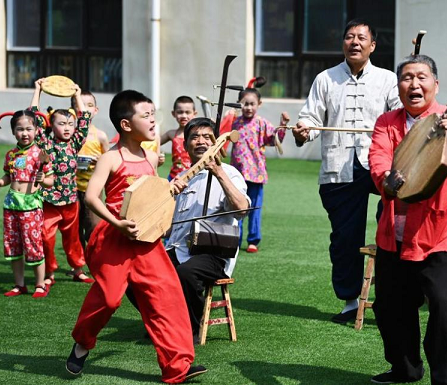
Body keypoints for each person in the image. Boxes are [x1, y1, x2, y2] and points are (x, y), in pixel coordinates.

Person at [66, 90, 206, 382]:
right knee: (109, 298)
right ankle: (82, 342)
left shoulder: (152, 157)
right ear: (126, 125)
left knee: (167, 297)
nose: (154, 120)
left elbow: (152, 198)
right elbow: (92, 198)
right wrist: (116, 223)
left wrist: (167, 203)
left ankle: (177, 367)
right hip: (113, 238)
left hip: (146, 240)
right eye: (146, 115)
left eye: (154, 114)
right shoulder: (110, 158)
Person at [369, 54, 447, 384]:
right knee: (389, 307)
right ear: (398, 85)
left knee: (443, 304)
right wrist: (387, 178)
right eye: (406, 78)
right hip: (395, 233)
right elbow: (379, 161)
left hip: (441, 231)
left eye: (422, 77)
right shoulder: (387, 122)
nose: (414, 84)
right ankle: (406, 368)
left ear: (435, 84)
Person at [292, 18, 400, 323]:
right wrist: (303, 131)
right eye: (350, 37)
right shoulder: (325, 79)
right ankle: (350, 301)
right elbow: (310, 118)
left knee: (394, 222)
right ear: (343, 43)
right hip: (339, 166)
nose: (355, 42)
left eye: (361, 38)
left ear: (373, 45)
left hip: (380, 162)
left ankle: (393, 294)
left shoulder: (388, 79)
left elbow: (399, 116)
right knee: (344, 237)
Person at [166, 117, 250, 338]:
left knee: (186, 272)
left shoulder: (230, 173)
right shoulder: (181, 178)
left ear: (216, 142)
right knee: (135, 273)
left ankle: (189, 329)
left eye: (206, 137)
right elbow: (166, 228)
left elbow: (241, 210)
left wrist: (217, 171)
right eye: (194, 137)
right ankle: (162, 321)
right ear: (185, 145)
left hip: (213, 253)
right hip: (178, 248)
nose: (200, 141)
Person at [31, 79, 94, 287]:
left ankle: (78, 269)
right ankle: (49, 272)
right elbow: (34, 117)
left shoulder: (75, 143)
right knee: (47, 239)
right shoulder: (46, 143)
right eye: (61, 123)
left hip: (70, 201)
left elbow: (84, 118)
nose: (67, 128)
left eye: (70, 124)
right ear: (52, 125)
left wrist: (77, 94)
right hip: (49, 201)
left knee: (73, 239)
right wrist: (37, 90)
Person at [0, 110, 55, 298]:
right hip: (11, 204)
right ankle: (19, 284)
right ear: (13, 132)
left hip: (30, 205)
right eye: (20, 129)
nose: (25, 133)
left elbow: (50, 181)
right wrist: (0, 183)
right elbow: (7, 176)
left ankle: (40, 284)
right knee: (13, 246)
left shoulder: (41, 154)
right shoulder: (11, 154)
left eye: (29, 128)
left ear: (36, 130)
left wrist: (43, 179)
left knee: (33, 245)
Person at [230, 88, 289, 253]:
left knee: (255, 208)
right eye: (245, 104)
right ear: (239, 104)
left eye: (252, 104)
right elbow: (222, 135)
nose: (248, 107)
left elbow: (274, 140)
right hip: (237, 174)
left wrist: (282, 125)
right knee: (237, 208)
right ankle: (235, 239)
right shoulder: (234, 122)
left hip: (256, 174)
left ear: (259, 104)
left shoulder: (262, 123)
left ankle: (253, 240)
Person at [72, 90, 109, 248]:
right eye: (80, 106)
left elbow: (109, 161)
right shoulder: (68, 134)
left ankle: (97, 261)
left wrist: (99, 161)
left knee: (94, 227)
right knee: (74, 229)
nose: (85, 109)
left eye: (89, 105)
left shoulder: (100, 136)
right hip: (71, 188)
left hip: (92, 189)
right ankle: (77, 267)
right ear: (73, 111)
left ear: (96, 109)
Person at [160, 96, 197, 180]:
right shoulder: (171, 134)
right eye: (180, 112)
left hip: (192, 177)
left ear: (194, 114)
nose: (184, 116)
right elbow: (154, 143)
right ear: (174, 113)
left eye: (187, 112)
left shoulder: (197, 134)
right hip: (173, 177)